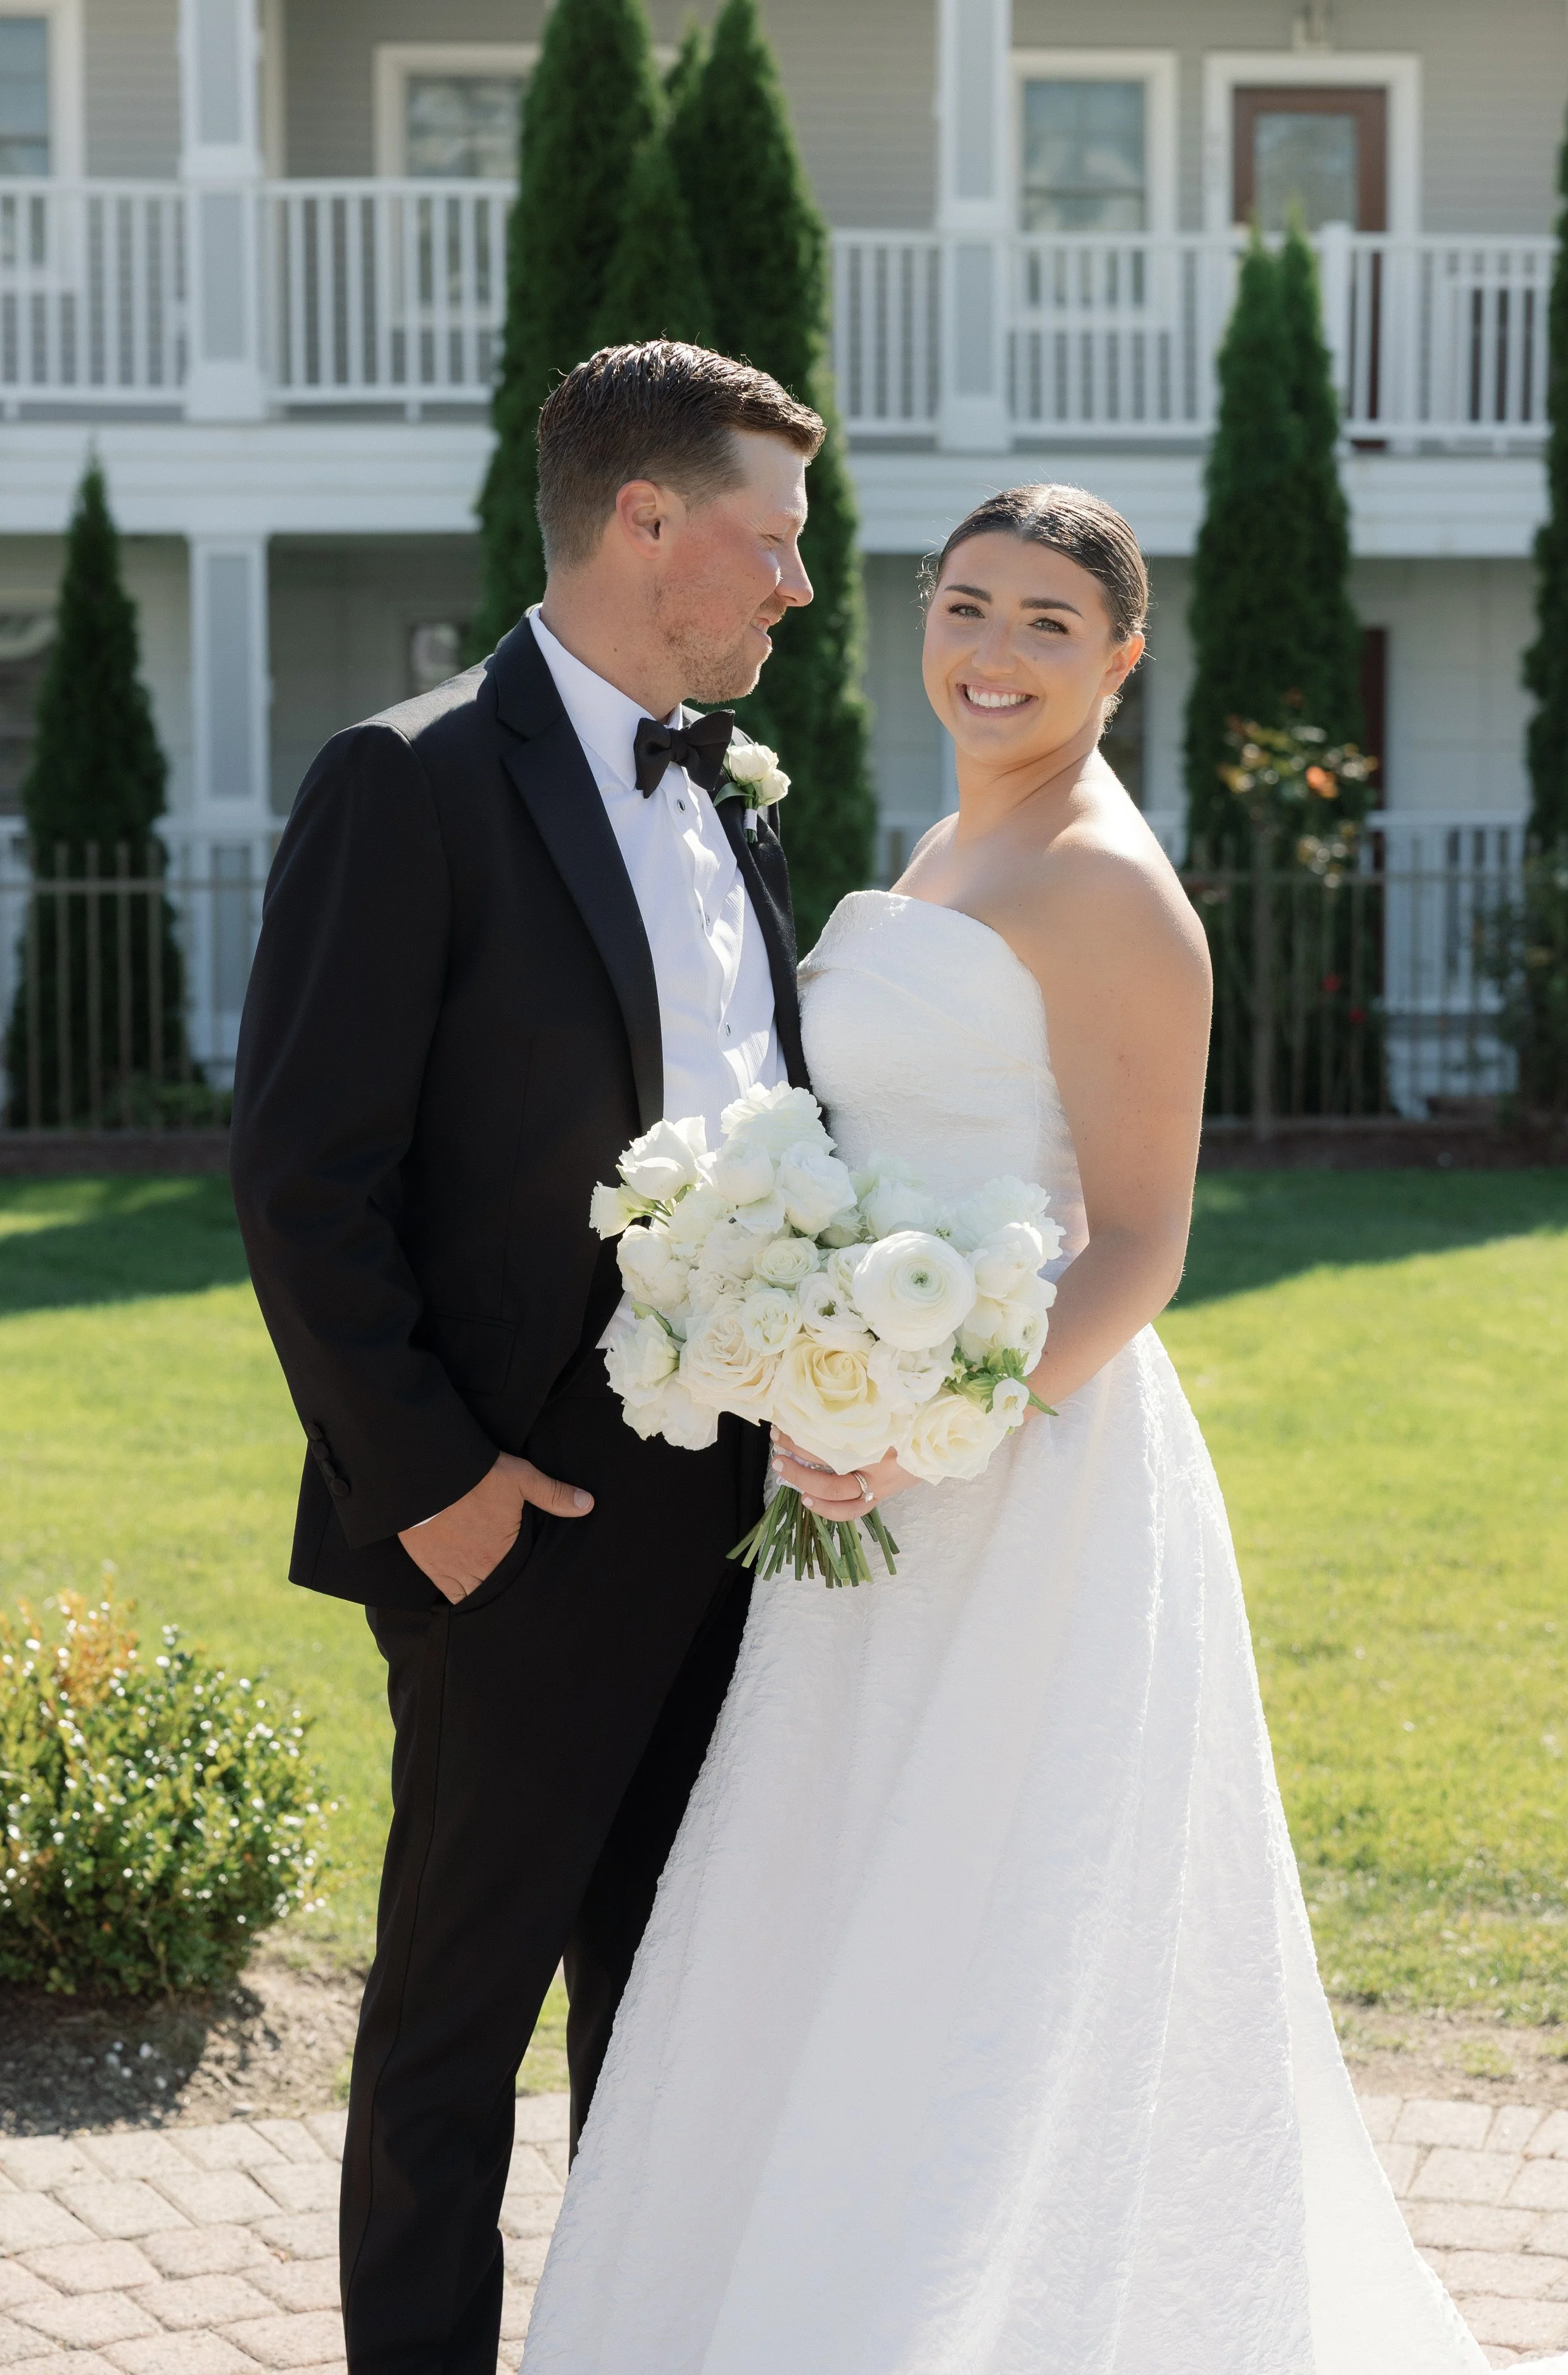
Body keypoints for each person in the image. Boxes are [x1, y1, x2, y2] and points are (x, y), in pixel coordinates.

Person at [517, 484, 1568, 2375]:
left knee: (993, 1920)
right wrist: (801, 1366)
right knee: (828, 1900)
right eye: (964, 607)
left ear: (1118, 659)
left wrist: (933, 1422)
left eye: (1042, 625)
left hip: (1030, 1480)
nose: (990, 654)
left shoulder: (1109, 888)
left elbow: (1148, 1238)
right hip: (859, 1468)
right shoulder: (939, 847)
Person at [229, 341, 822, 2375]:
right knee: (451, 2028)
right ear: (646, 521)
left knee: (670, 2018)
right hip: (517, 1521)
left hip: (739, 1527)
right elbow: (306, 1180)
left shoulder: (736, 802)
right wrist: (444, 1495)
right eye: (773, 537)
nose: (798, 588)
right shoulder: (406, 782)